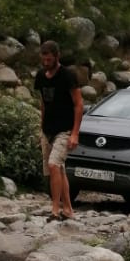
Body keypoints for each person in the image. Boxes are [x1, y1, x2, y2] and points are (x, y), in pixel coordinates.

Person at [33, 40, 83, 221]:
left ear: (57, 57)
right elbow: (43, 103)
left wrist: (75, 133)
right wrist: (41, 128)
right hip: (48, 130)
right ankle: (68, 209)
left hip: (65, 129)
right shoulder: (40, 76)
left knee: (54, 165)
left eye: (49, 59)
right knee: (57, 170)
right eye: (43, 59)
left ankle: (55, 210)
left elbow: (78, 105)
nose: (46, 63)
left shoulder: (68, 75)